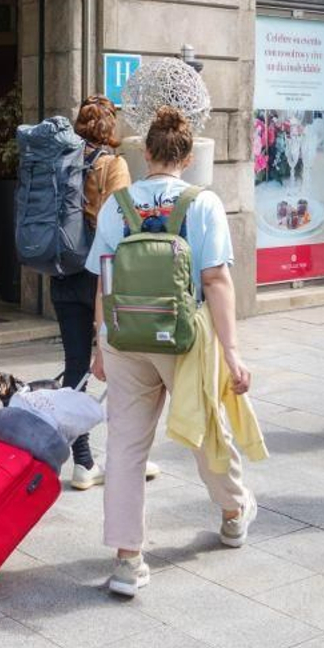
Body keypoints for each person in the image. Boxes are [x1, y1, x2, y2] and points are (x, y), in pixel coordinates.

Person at [86, 106, 254, 597]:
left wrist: (101, 343)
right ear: (186, 154)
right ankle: (231, 512)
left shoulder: (118, 205)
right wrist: (233, 351)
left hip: (125, 339)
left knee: (125, 447)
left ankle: (127, 560)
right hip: (183, 338)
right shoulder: (202, 203)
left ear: (146, 152)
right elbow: (217, 280)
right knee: (206, 433)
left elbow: (105, 279)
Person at [52, 96, 132, 490]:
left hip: (63, 270)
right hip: (100, 275)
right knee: (122, 365)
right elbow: (121, 220)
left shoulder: (59, 161)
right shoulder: (114, 165)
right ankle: (128, 455)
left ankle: (81, 461)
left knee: (75, 366)